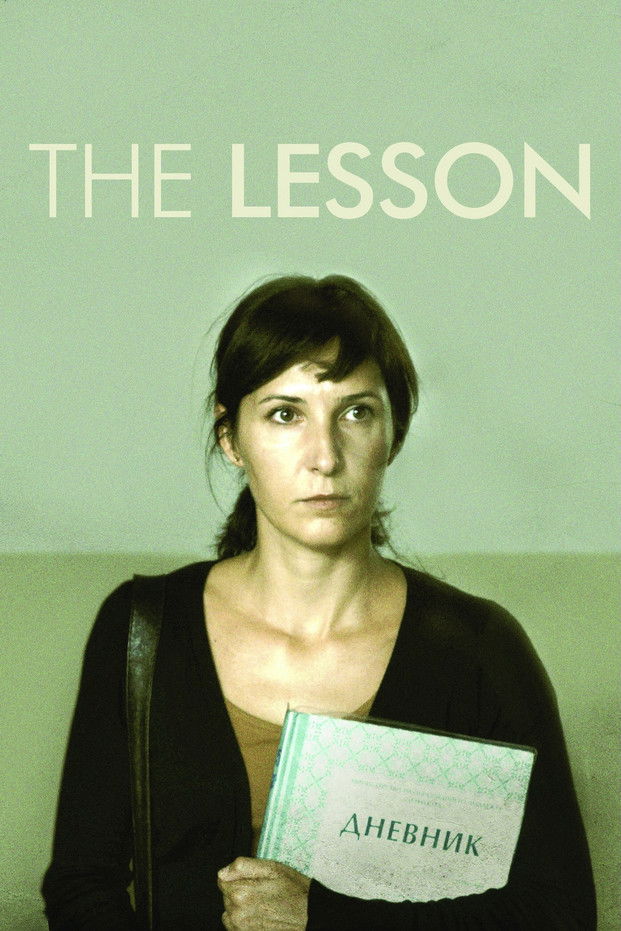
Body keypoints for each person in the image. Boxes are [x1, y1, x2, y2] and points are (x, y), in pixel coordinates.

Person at [42, 274, 596, 929]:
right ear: (231, 437)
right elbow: (82, 886)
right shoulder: (143, 629)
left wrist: (321, 917)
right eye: (285, 414)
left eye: (356, 412)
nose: (324, 457)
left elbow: (559, 913)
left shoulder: (479, 647)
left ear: (392, 433)